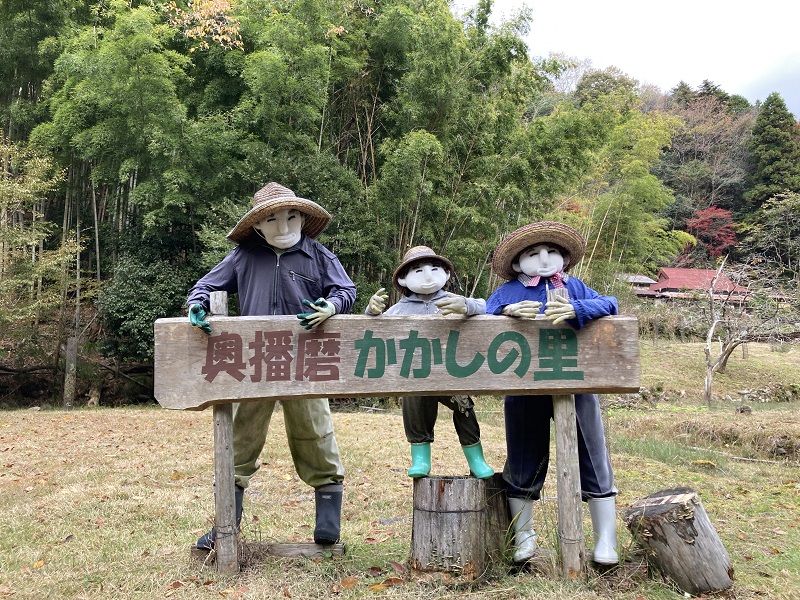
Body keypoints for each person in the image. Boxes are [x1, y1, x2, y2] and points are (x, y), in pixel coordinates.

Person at [187, 182, 356, 549]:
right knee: (240, 439)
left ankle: (329, 524)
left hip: (306, 360)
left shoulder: (319, 255)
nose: (283, 226)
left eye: (291, 216)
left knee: (316, 432)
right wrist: (197, 304)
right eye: (273, 219)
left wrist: (332, 307)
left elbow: (345, 290)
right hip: (253, 362)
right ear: (258, 226)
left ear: (302, 217)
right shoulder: (243, 256)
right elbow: (204, 285)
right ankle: (224, 526)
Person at [486, 221, 619, 565]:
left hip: (577, 382)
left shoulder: (574, 286)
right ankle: (525, 536)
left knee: (592, 454)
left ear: (564, 258)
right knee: (522, 455)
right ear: (517, 263)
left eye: (552, 252)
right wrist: (505, 313)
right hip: (523, 384)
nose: (544, 259)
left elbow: (611, 303)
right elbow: (482, 320)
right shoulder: (507, 291)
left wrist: (581, 309)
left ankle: (606, 538)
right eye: (533, 253)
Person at [365, 245, 494, 480]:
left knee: (464, 409)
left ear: (445, 274)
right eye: (418, 270)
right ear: (404, 279)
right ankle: (420, 458)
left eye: (434, 269)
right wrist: (371, 311)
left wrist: (467, 306)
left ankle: (476, 459)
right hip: (416, 372)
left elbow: (488, 306)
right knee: (414, 408)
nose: (427, 275)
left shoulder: (454, 300)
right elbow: (375, 328)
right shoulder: (400, 308)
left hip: (451, 371)